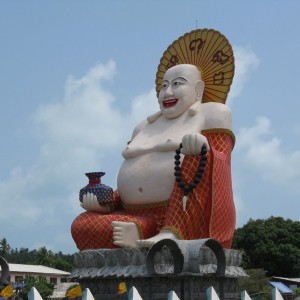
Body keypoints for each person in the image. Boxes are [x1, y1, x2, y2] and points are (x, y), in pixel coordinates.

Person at [71, 29, 236, 251]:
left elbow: (222, 163)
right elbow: (138, 178)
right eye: (164, 85)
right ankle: (143, 229)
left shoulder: (213, 113)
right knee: (82, 224)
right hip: (132, 213)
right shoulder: (142, 126)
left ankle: (170, 232)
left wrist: (204, 149)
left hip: (187, 214)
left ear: (198, 89)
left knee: (198, 156)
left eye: (177, 84)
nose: (167, 92)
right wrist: (107, 203)